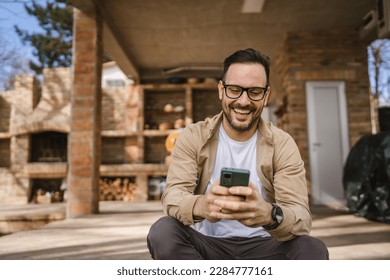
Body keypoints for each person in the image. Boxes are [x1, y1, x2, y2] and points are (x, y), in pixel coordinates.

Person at [147, 48, 329, 260]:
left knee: (312, 249)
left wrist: (270, 215)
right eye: (234, 89)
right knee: (163, 231)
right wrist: (202, 206)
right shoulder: (193, 136)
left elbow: (301, 216)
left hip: (266, 246)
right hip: (208, 247)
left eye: (254, 92)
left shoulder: (283, 144)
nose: (243, 102)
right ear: (221, 90)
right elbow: (173, 196)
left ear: (266, 95)